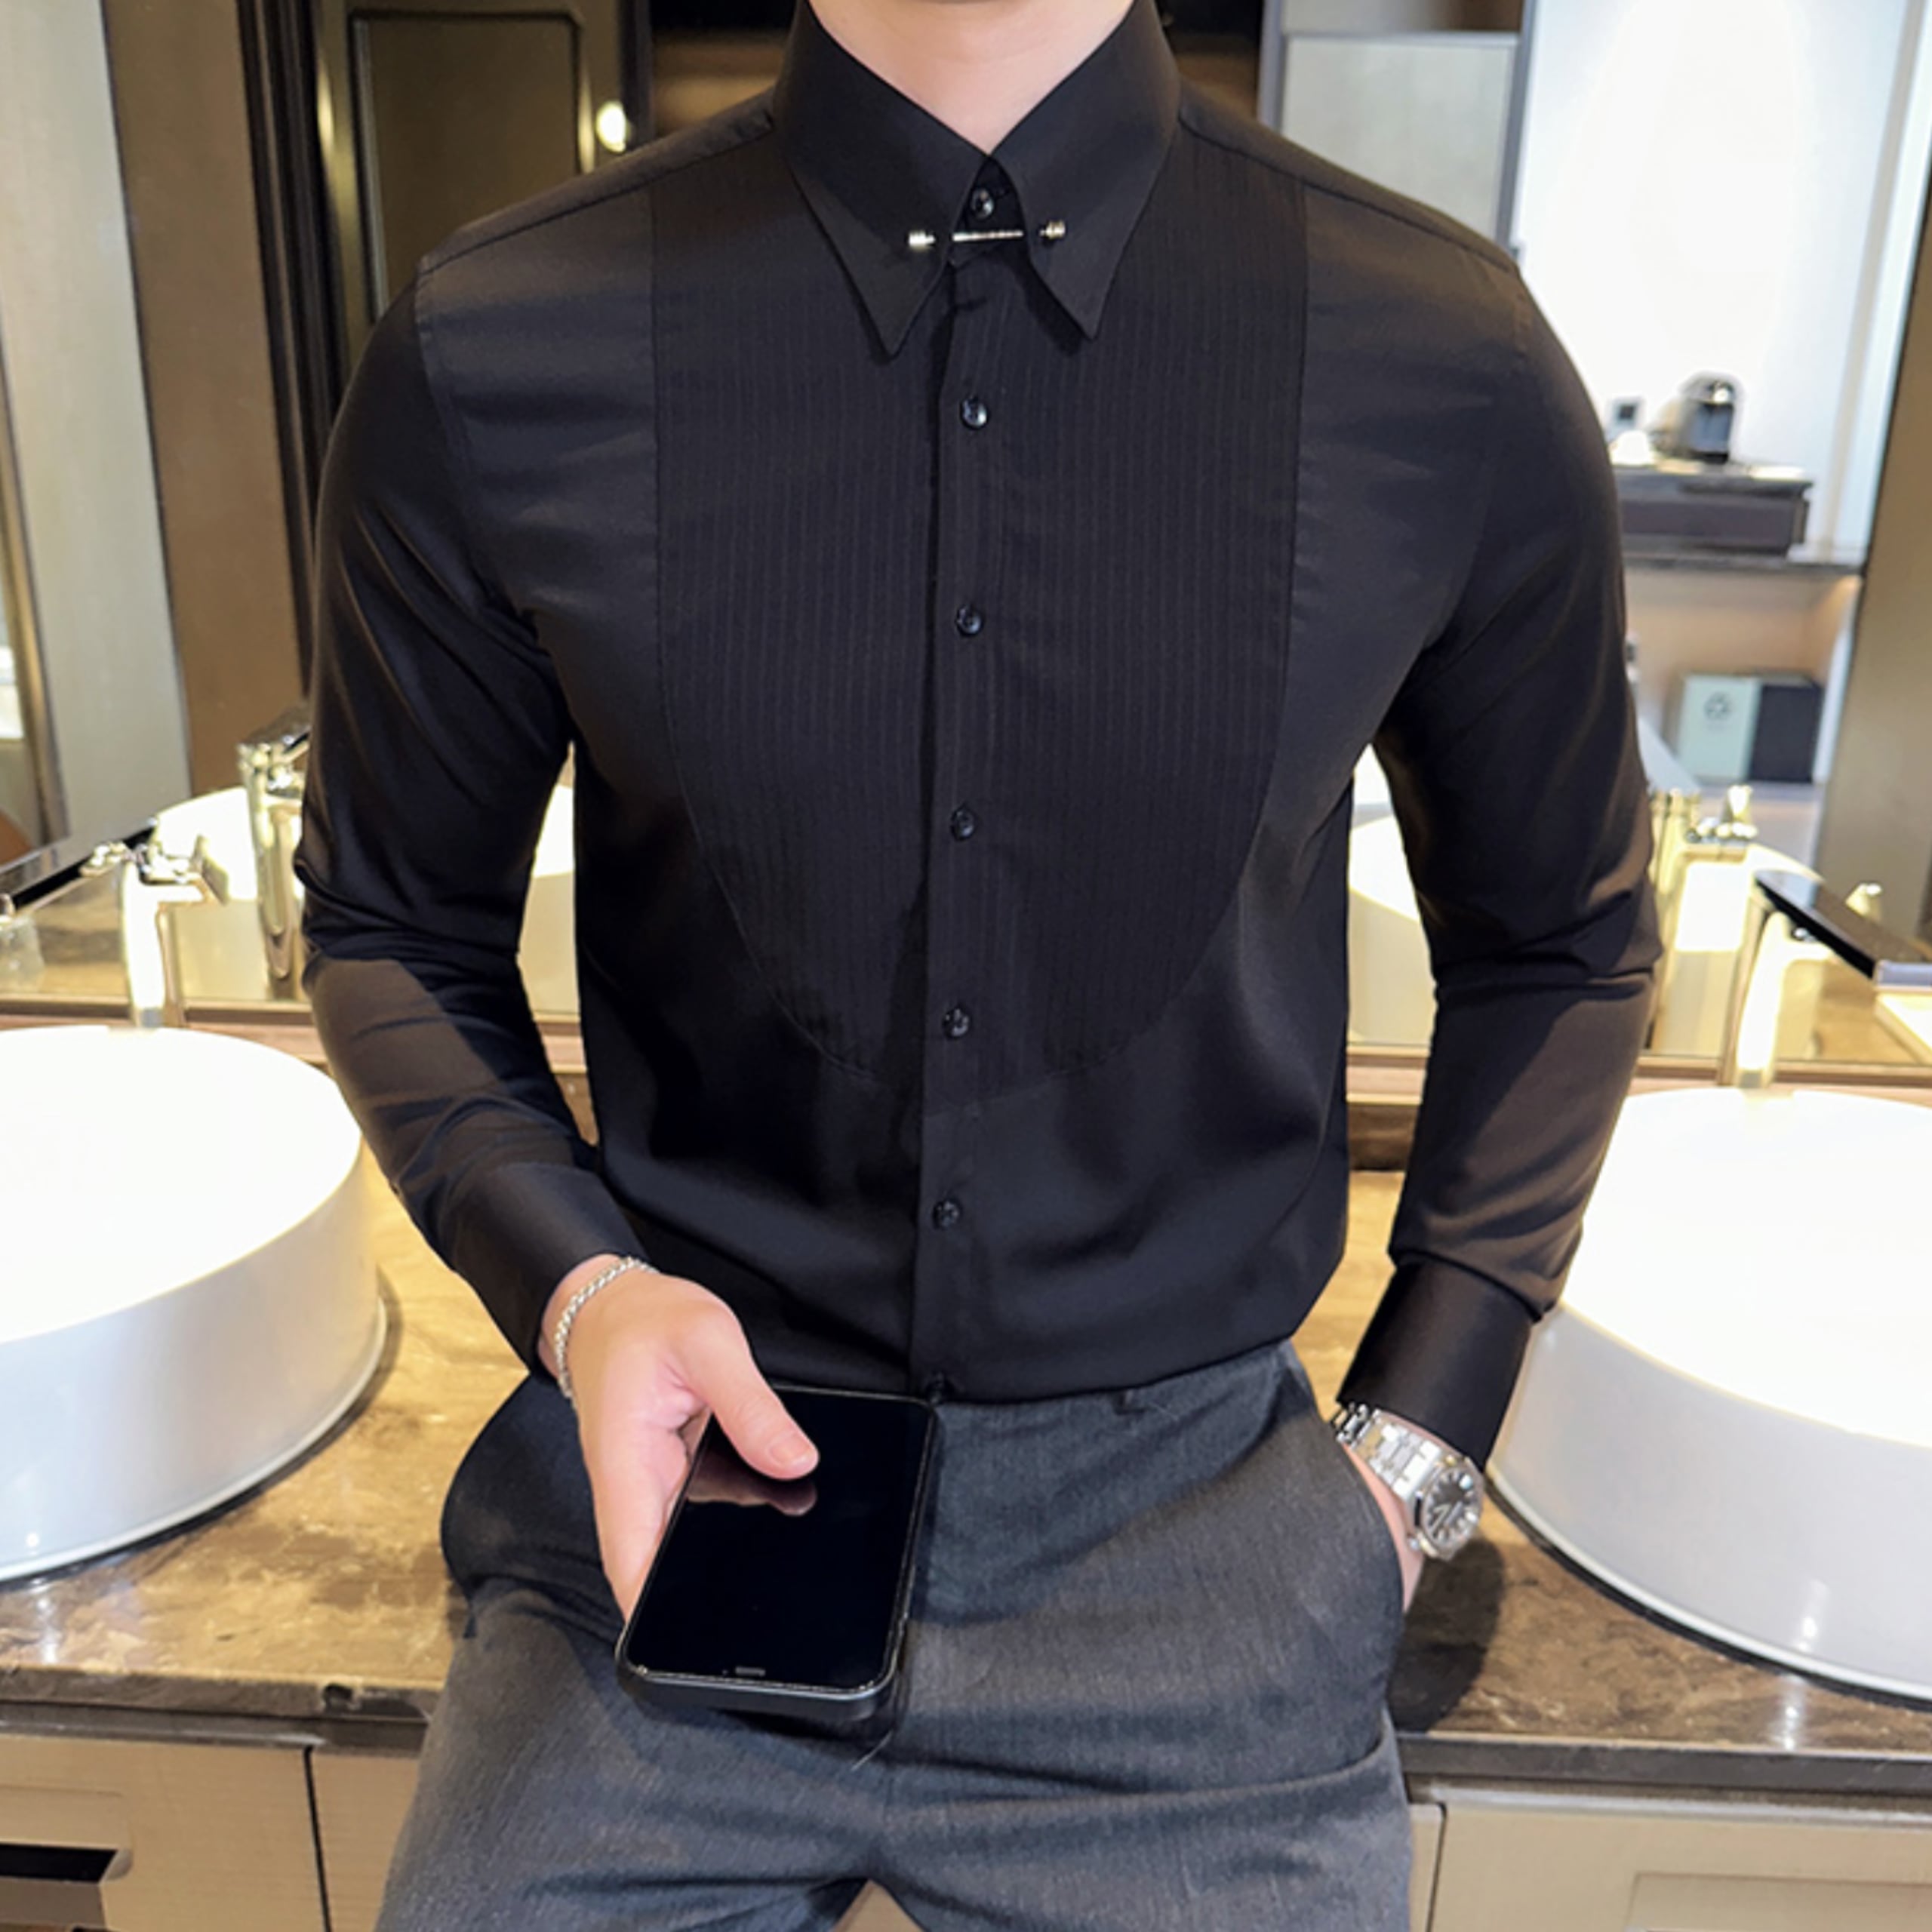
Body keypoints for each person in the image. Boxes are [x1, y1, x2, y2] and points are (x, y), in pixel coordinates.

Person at [296, 0, 1659, 1924]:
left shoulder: (1440, 354)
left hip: (1203, 1542)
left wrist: (1412, 1451)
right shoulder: (499, 341)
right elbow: (390, 923)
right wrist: (581, 1291)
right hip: (675, 1502)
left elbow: (1563, 939)